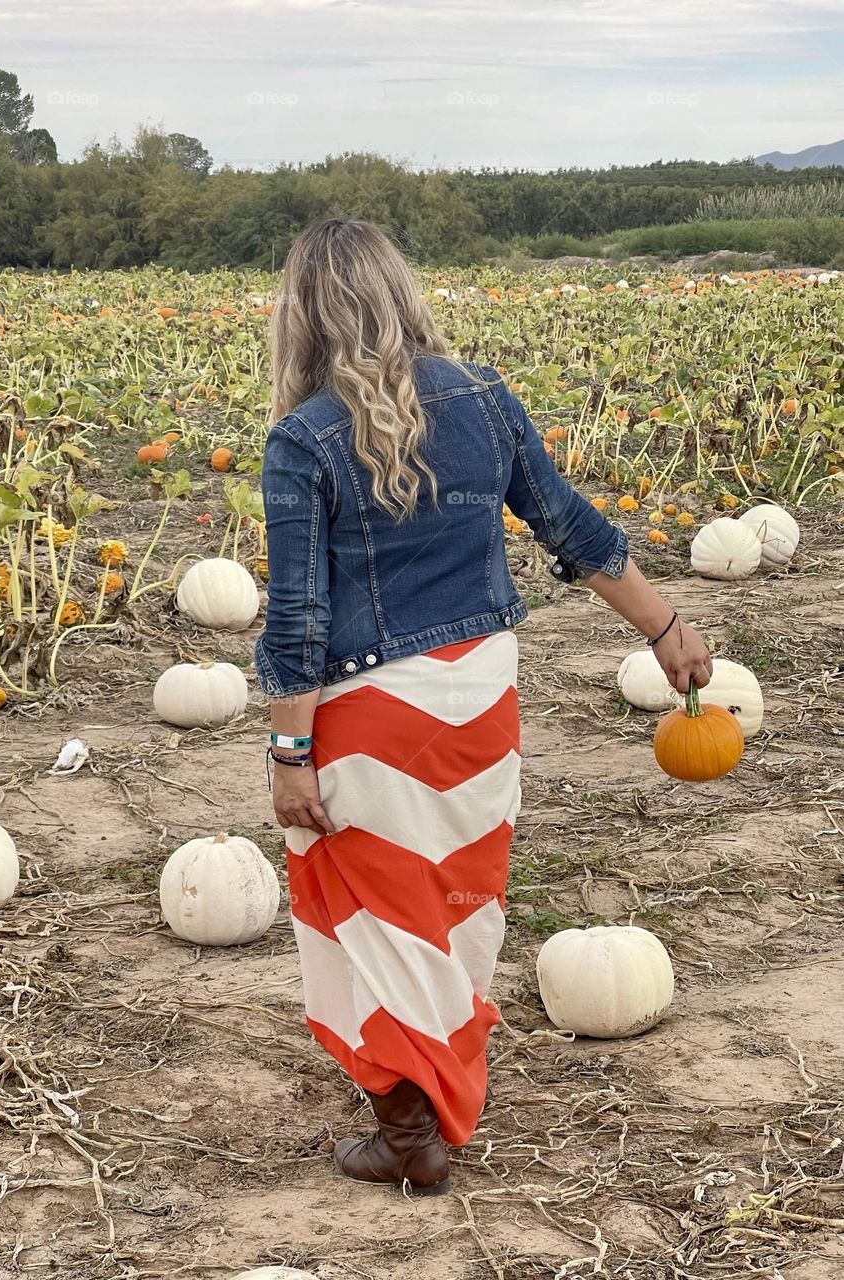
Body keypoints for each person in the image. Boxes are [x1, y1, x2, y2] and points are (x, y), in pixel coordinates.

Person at [256, 218, 712, 1197]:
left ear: (307, 315)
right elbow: (571, 524)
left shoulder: (302, 439)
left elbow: (297, 614)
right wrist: (665, 626)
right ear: (402, 292)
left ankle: (411, 1129)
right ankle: (427, 1105)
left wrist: (290, 749)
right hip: (482, 698)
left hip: (373, 709)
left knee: (368, 916)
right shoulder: (483, 396)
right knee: (455, 905)